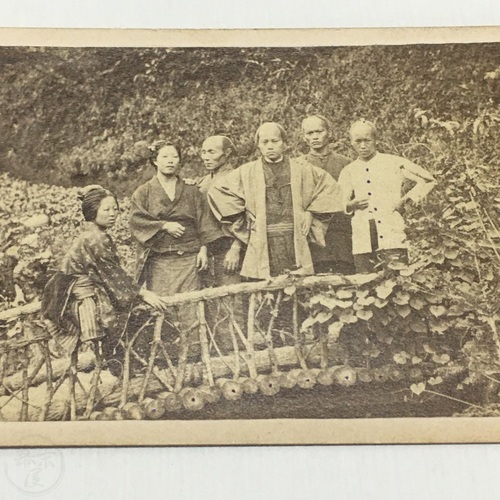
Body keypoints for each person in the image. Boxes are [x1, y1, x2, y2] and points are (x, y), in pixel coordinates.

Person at [41, 185, 166, 362]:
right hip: (72, 292)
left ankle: (121, 360)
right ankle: (121, 361)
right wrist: (143, 293)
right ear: (93, 211)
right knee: (128, 314)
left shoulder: (93, 232)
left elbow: (110, 272)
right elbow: (112, 273)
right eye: (106, 209)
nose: (112, 213)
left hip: (71, 286)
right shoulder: (95, 237)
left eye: (115, 209)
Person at [208, 122, 344, 280]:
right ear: (258, 145)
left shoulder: (302, 169)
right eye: (265, 142)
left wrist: (311, 211)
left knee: (298, 287)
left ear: (284, 143)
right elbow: (217, 191)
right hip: (263, 239)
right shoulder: (247, 171)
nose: (270, 146)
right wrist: (245, 216)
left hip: (295, 237)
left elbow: (330, 189)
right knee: (264, 290)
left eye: (275, 141)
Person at [129, 141, 223, 356]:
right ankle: (166, 357)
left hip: (189, 258)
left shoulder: (191, 191)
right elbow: (136, 221)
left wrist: (203, 249)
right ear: (155, 160)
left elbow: (204, 221)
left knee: (191, 308)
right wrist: (163, 225)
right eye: (165, 157)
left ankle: (195, 355)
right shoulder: (143, 192)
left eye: (174, 157)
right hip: (161, 261)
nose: (170, 161)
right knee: (164, 308)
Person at [338, 119, 437, 273]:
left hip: (391, 230)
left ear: (375, 140)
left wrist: (405, 201)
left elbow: (428, 180)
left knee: (396, 280)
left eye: (367, 140)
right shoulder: (349, 171)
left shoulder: (393, 163)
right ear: (351, 142)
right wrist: (352, 205)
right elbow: (340, 202)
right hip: (363, 234)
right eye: (358, 141)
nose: (363, 146)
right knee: (366, 283)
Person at [298, 115, 355, 274]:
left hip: (341, 235)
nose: (315, 137)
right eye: (309, 133)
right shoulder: (297, 166)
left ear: (329, 133)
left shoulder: (346, 164)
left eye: (319, 131)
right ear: (304, 137)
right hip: (312, 238)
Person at [198, 135, 243, 287]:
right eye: (203, 152)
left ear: (227, 153)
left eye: (212, 152)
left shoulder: (238, 178)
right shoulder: (204, 181)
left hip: (230, 248)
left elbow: (248, 216)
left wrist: (236, 248)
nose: (206, 157)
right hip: (208, 249)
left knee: (232, 298)